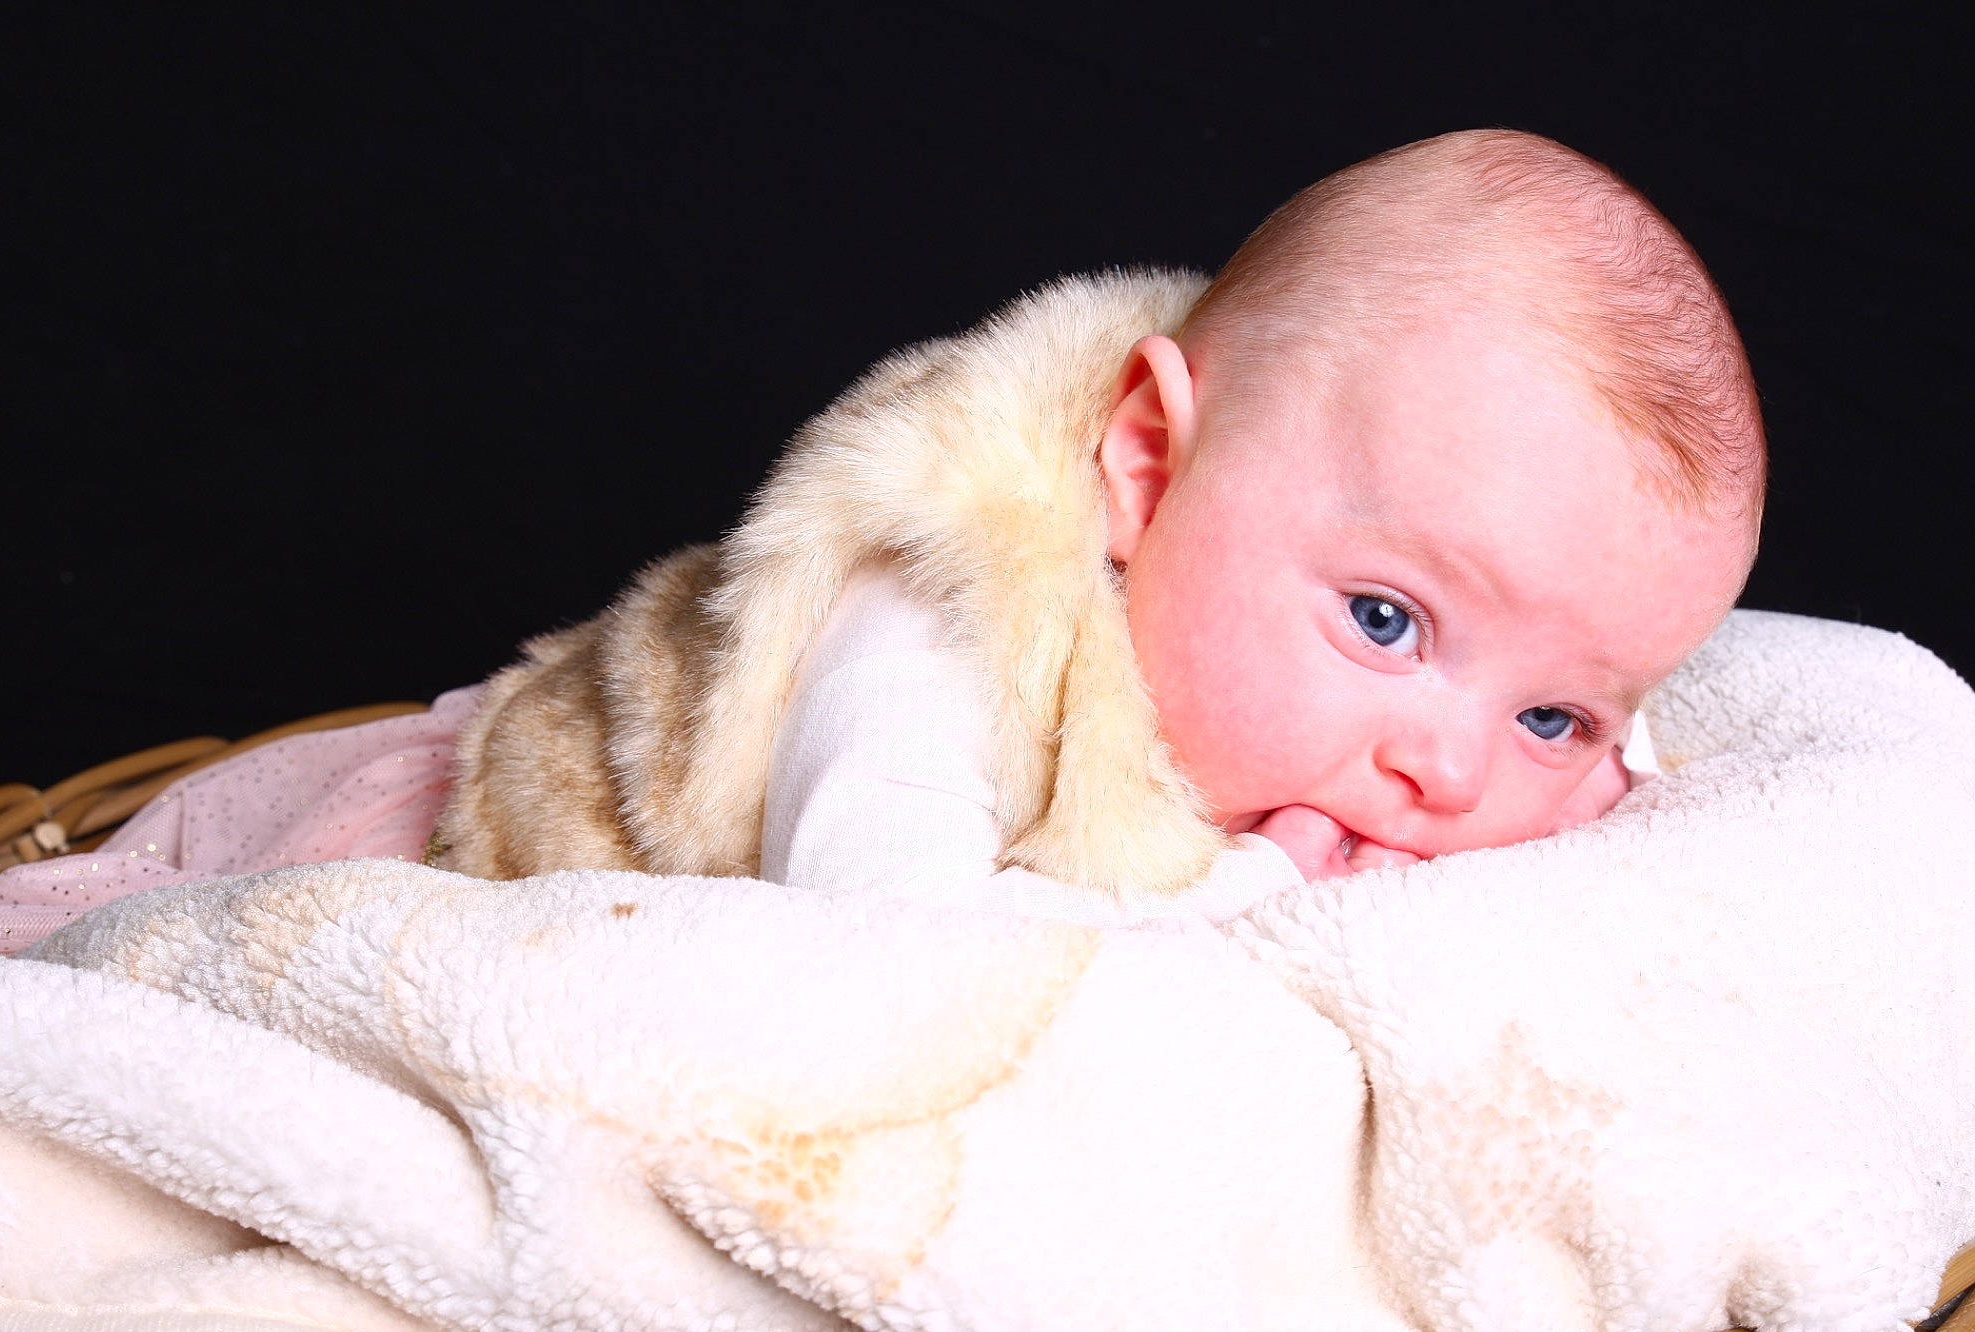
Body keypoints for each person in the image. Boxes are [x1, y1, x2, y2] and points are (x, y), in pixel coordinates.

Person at [428, 128, 1763, 915]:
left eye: (1550, 718)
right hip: (554, 843)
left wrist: (1588, 756)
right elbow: (894, 970)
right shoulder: (945, 614)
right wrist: (1249, 893)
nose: (1451, 775)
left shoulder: (1479, 649)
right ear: (1142, 464)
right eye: (1383, 620)